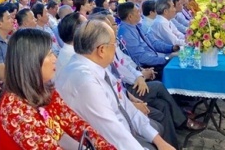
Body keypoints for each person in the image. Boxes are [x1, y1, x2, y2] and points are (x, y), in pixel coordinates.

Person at [56, 19, 176, 150]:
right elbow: (113, 132)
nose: (116, 48)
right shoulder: (86, 81)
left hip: (122, 131)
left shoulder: (95, 66)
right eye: (114, 44)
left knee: (156, 130)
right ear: (102, 50)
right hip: (106, 142)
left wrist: (160, 142)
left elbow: (126, 106)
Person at [0, 28, 116, 149]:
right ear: (31, 62)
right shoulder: (14, 108)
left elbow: (74, 124)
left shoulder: (44, 89)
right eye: (49, 54)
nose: (55, 59)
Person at [117, 2, 179, 78]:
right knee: (178, 70)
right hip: (147, 67)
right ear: (130, 16)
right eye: (138, 12)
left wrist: (172, 48)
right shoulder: (126, 33)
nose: (141, 14)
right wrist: (166, 58)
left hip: (154, 60)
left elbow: (153, 43)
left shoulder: (137, 26)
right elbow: (141, 57)